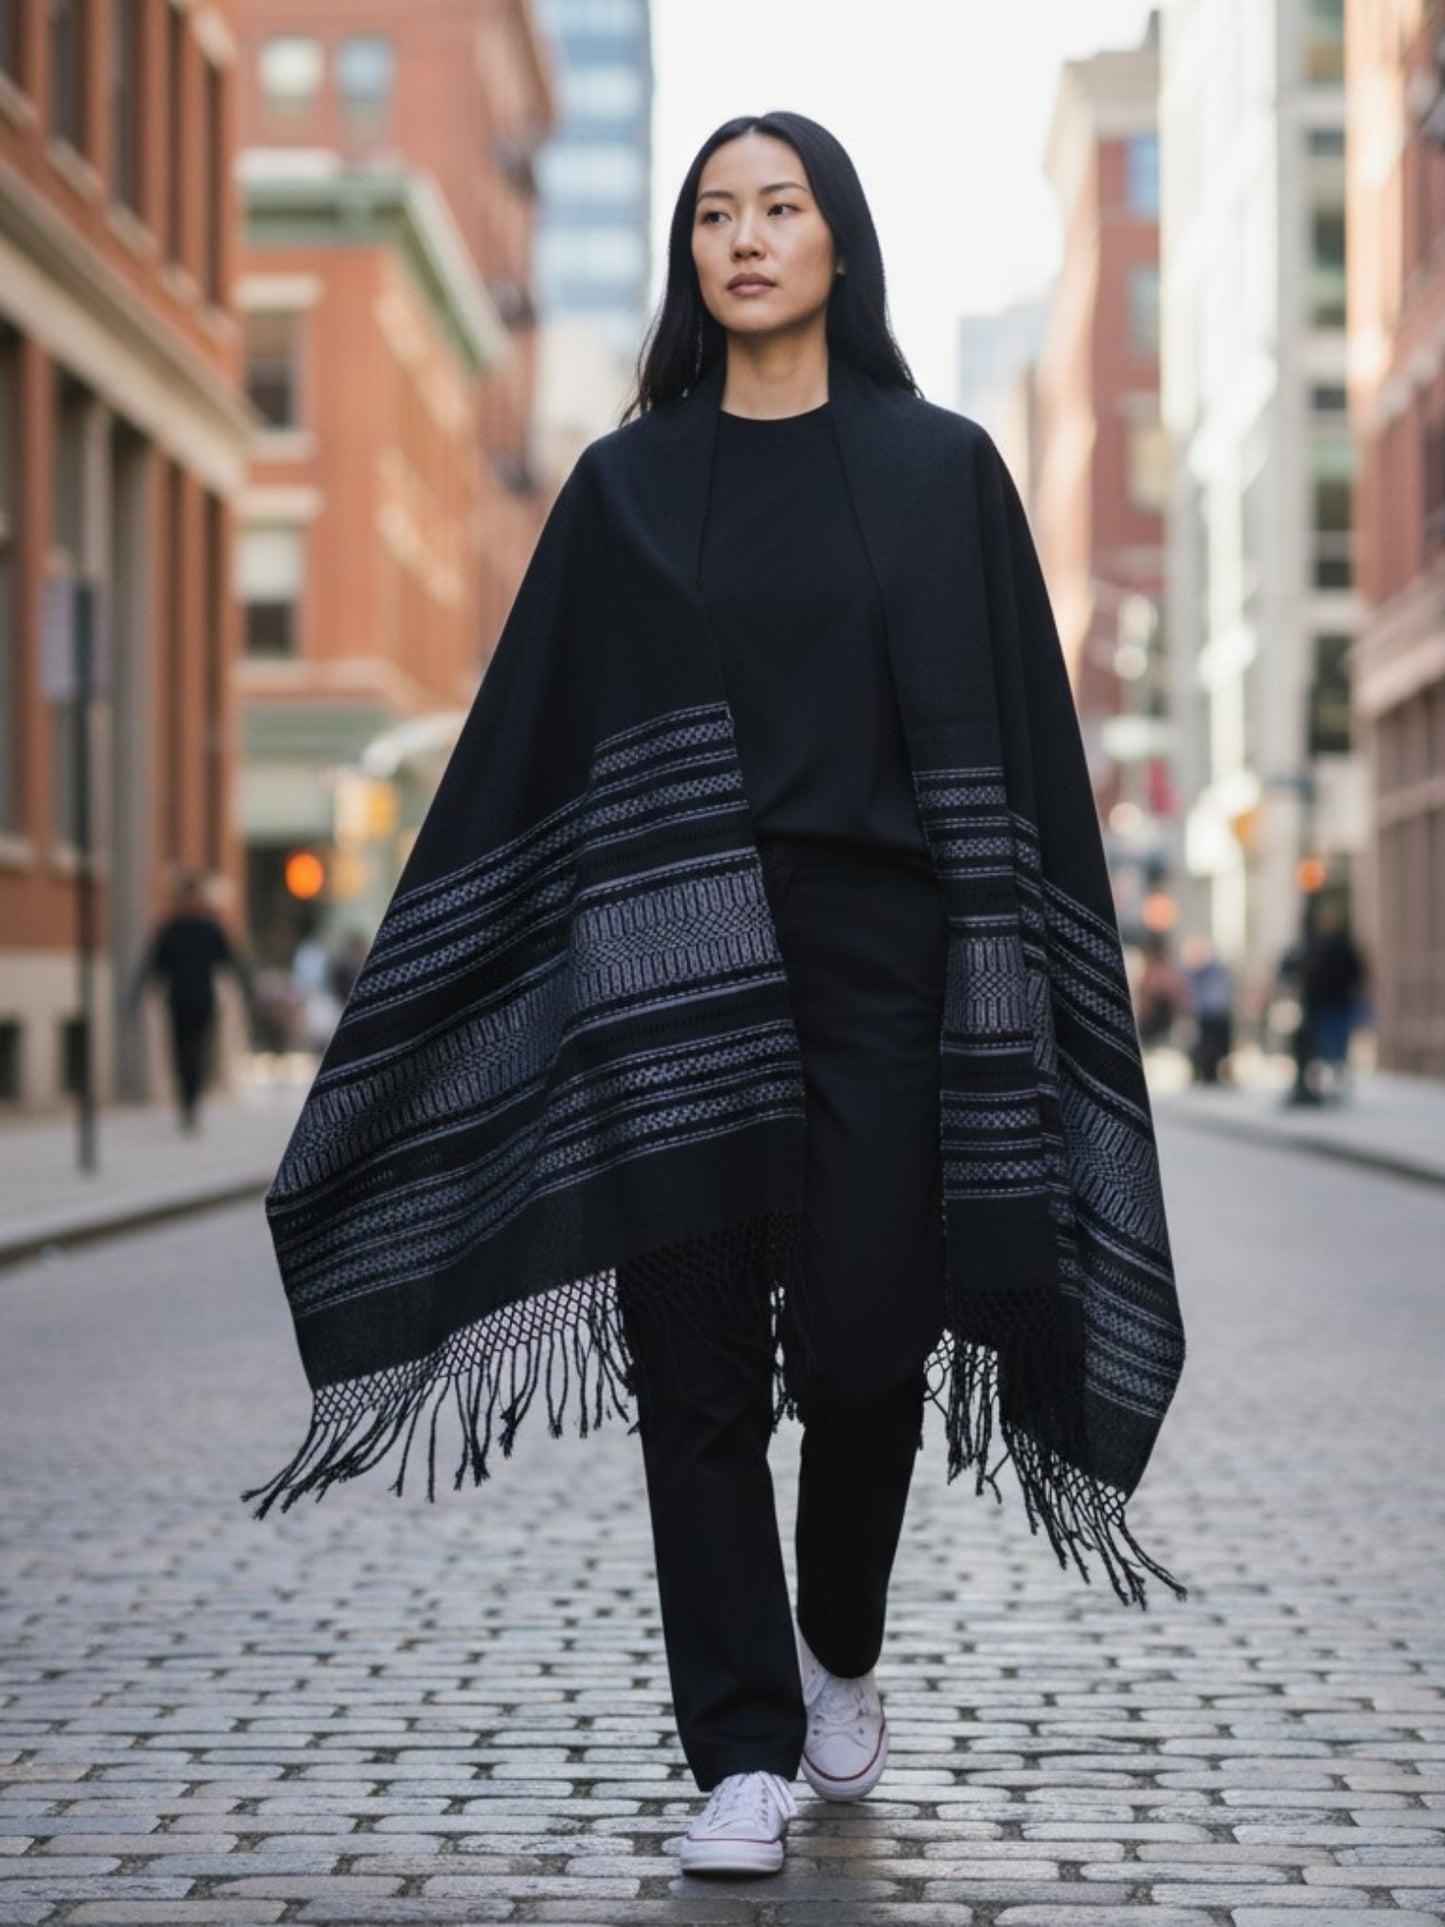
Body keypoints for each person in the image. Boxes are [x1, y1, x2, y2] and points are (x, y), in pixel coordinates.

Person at [243, 111, 1186, 1883]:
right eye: (713, 214)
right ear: (690, 255)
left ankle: (839, 1641)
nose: (744, 237)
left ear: (839, 242)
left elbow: (1031, 756)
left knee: (864, 1351)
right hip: (672, 969)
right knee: (691, 1379)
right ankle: (741, 1749)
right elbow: (524, 754)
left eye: (780, 207)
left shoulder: (946, 471)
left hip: (886, 964)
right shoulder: (622, 489)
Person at [129, 870, 254, 1132]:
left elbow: (232, 960)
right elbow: (153, 964)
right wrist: (137, 995)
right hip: (178, 1001)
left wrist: (247, 989)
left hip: (202, 1000)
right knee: (179, 1053)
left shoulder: (209, 928)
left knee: (197, 1052)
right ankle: (186, 1103)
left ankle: (192, 1102)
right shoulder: (170, 928)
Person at [1280, 900, 1366, 1106]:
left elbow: (1357, 974)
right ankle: (1311, 1088)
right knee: (1313, 1046)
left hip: (1337, 1004)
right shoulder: (1311, 946)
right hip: (1315, 1005)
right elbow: (1290, 965)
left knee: (1335, 1048)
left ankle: (1335, 1087)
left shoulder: (1344, 948)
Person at [1179, 934, 1234, 1085]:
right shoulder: (1199, 972)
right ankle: (1208, 1072)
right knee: (1208, 1046)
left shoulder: (1213, 970)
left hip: (1216, 1013)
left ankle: (1212, 1072)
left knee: (1216, 1046)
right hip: (1209, 1014)